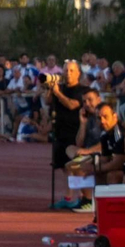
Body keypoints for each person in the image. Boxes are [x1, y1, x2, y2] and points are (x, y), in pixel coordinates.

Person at [45, 61, 93, 210]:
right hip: (60, 131)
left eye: (72, 71)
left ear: (78, 73)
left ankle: (86, 197)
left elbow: (72, 105)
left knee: (77, 165)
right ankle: (69, 196)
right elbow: (48, 101)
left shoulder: (82, 90)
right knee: (64, 166)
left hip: (76, 132)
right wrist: (51, 89)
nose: (68, 74)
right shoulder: (61, 87)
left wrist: (58, 93)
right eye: (66, 71)